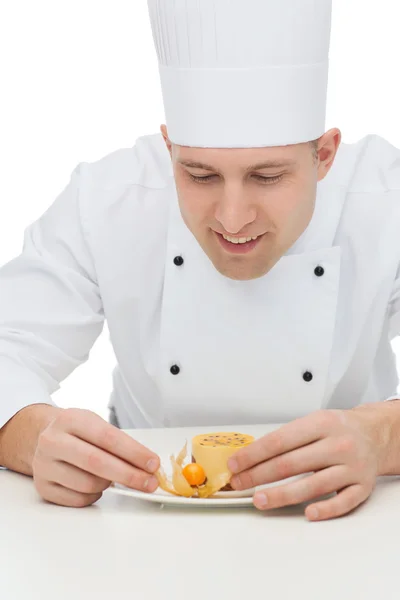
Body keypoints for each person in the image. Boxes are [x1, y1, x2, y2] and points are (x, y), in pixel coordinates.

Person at [1, 0, 400, 522]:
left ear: (324, 156)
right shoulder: (106, 200)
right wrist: (31, 434)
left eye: (268, 177)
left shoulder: (385, 197)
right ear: (169, 151)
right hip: (139, 519)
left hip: (351, 522)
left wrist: (384, 436)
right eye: (201, 175)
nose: (233, 218)